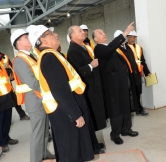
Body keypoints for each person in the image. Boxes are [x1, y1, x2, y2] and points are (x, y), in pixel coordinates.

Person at [29, 25, 101, 162]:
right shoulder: (49, 58)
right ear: (43, 40)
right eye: (50, 34)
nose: (55, 35)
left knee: (74, 149)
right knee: (72, 150)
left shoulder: (52, 55)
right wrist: (75, 114)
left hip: (64, 109)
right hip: (64, 112)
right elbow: (59, 90)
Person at [11, 29, 54, 162]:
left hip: (41, 98)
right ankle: (36, 159)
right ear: (19, 43)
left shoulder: (31, 55)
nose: (28, 38)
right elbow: (32, 82)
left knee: (45, 130)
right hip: (35, 100)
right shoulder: (19, 60)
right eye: (25, 37)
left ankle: (44, 154)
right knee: (38, 132)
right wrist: (51, 89)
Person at [92, 22, 138, 145]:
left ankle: (126, 129)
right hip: (112, 85)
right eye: (100, 33)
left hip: (121, 82)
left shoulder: (109, 47)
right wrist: (125, 33)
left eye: (103, 32)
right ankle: (115, 134)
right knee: (116, 110)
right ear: (95, 39)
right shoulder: (100, 48)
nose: (103, 34)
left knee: (126, 106)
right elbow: (109, 49)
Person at [67, 26, 107, 148]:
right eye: (80, 31)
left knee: (94, 116)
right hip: (87, 89)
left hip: (93, 86)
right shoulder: (73, 51)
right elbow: (77, 72)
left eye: (83, 30)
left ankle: (94, 143)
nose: (83, 32)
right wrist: (91, 65)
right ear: (72, 36)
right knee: (90, 117)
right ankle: (91, 145)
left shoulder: (82, 47)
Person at [126, 30, 151, 116]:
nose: (132, 39)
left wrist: (147, 72)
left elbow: (142, 61)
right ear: (128, 38)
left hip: (138, 72)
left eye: (134, 37)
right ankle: (134, 109)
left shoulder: (139, 47)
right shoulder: (125, 47)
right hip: (129, 73)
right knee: (130, 92)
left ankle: (138, 108)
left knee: (138, 90)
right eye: (130, 37)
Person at [0, 52, 30, 120]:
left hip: (7, 85)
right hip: (2, 88)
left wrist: (12, 75)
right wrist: (7, 78)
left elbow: (11, 66)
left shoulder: (4, 56)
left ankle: (22, 115)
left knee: (14, 100)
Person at [0, 53, 18, 156]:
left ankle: (6, 138)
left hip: (7, 94)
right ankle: (1, 142)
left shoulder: (3, 57)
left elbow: (9, 70)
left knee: (7, 119)